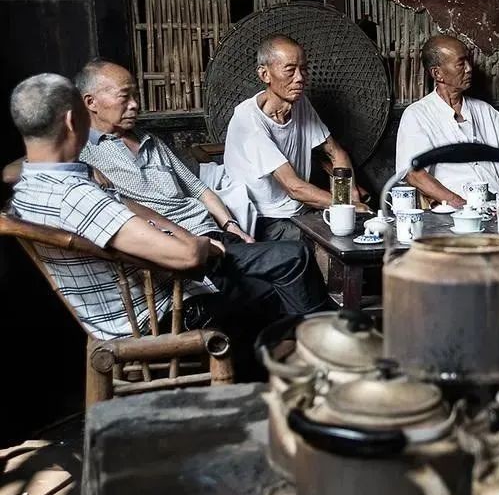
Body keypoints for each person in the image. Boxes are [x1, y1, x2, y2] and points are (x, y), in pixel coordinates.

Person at [72, 59, 327, 319]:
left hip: (215, 234)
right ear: (91, 102)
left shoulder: (149, 139)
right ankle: (323, 340)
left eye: (135, 95)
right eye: (124, 97)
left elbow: (197, 188)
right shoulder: (84, 156)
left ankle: (307, 340)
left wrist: (231, 225)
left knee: (279, 287)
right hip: (186, 251)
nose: (135, 104)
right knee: (295, 255)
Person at [7, 73, 220, 341]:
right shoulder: (76, 195)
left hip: (127, 310)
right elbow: (188, 256)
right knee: (274, 282)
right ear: (74, 121)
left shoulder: (28, 188)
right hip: (163, 315)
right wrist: (203, 243)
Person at [224, 34, 370, 241]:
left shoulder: (300, 103)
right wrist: (347, 207)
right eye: (290, 70)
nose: (300, 78)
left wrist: (349, 197)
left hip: (300, 211)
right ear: (265, 74)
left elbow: (335, 152)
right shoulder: (249, 120)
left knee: (363, 230)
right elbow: (293, 187)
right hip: (267, 219)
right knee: (337, 242)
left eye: (303, 69)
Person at [395, 34, 499, 208]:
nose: (469, 68)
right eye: (461, 64)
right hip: (455, 213)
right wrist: (461, 205)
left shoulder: (483, 110)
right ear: (437, 73)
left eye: (468, 61)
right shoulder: (417, 115)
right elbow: (414, 174)